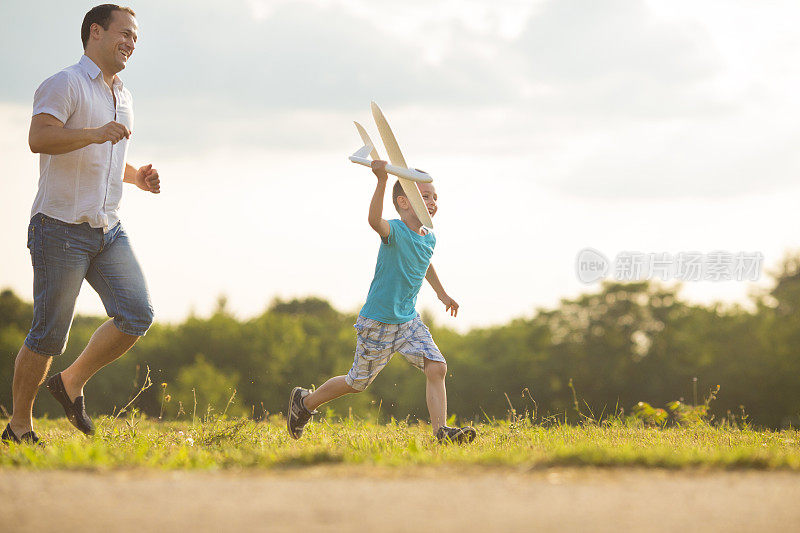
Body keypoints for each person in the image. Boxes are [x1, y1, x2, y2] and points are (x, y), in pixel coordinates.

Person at [2, 4, 160, 445]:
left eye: (135, 38)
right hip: (59, 228)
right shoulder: (65, 83)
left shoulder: (122, 95)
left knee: (136, 313)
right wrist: (93, 132)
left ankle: (70, 383)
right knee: (48, 334)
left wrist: (137, 178)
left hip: (107, 229)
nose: (131, 43)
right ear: (96, 32)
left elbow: (109, 154)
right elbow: (40, 138)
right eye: (124, 33)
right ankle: (19, 428)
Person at [287, 160, 476, 443]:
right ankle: (305, 403)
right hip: (378, 322)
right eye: (425, 196)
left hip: (409, 321)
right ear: (404, 202)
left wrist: (441, 293)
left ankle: (441, 432)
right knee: (357, 383)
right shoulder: (394, 231)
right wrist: (381, 180)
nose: (433, 201)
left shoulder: (429, 238)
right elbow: (374, 221)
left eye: (435, 197)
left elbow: (424, 263)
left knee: (437, 366)